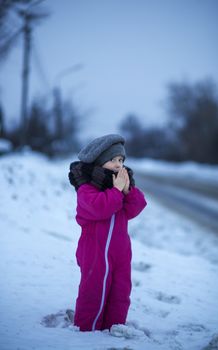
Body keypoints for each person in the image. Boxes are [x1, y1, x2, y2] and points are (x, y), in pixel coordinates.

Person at [69, 134, 147, 331]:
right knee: (94, 289)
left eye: (121, 160)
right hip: (95, 251)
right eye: (113, 160)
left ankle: (115, 326)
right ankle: (88, 328)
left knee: (121, 290)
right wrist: (116, 190)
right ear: (99, 161)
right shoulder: (86, 189)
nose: (118, 165)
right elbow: (99, 208)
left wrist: (128, 191)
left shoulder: (119, 188)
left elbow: (134, 210)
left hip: (120, 252)